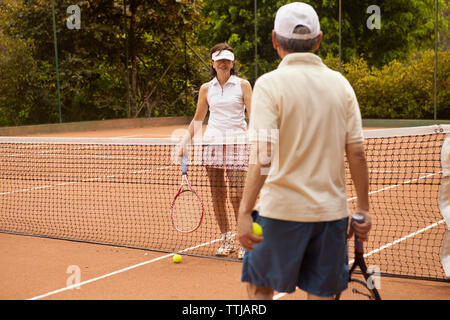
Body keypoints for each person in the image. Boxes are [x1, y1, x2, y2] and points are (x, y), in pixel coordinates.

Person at [237, 2, 371, 300]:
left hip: (279, 212)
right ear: (318, 40)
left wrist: (245, 211)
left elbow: (264, 154)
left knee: (259, 289)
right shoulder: (342, 85)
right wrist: (362, 208)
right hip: (331, 215)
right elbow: (358, 154)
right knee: (322, 295)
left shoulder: (268, 85)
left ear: (274, 40)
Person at [178, 43, 252, 259]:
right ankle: (226, 238)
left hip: (237, 143)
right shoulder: (206, 89)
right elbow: (198, 119)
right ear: (212, 62)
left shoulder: (243, 85)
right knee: (217, 193)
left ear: (233, 62)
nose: (224, 63)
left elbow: (254, 113)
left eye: (228, 59)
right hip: (212, 144)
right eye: (220, 60)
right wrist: (185, 141)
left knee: (237, 195)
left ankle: (243, 240)